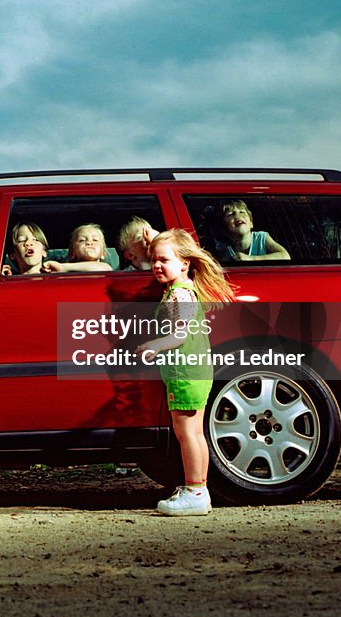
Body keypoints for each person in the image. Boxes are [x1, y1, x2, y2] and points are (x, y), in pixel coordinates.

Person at [136, 228, 235, 516]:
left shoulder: (180, 294)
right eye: (154, 259)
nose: (156, 265)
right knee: (195, 432)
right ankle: (198, 489)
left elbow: (179, 335)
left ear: (185, 263)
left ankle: (194, 492)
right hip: (196, 369)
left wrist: (154, 345)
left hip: (184, 372)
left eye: (163, 260)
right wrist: (158, 237)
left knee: (187, 433)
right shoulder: (183, 286)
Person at [220, 200, 290, 262]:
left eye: (242, 212)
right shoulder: (223, 247)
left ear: (251, 224)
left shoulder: (261, 237)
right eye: (230, 214)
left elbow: (285, 256)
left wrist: (251, 259)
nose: (237, 216)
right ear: (224, 228)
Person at [42, 223, 114, 273]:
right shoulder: (66, 273)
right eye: (82, 240)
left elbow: (103, 268)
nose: (89, 242)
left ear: (103, 253)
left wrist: (63, 267)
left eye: (95, 240)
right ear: (72, 253)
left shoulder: (105, 268)